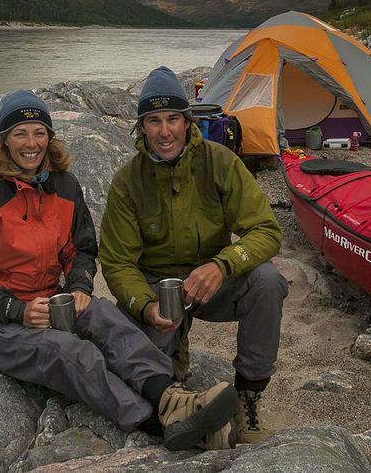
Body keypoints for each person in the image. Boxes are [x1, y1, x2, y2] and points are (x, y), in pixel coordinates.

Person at [0, 89, 239, 451]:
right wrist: (15, 309)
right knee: (69, 352)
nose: (30, 143)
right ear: (3, 141)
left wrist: (80, 284)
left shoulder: (63, 185)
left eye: (39, 132)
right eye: (20, 133)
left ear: (50, 137)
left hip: (52, 300)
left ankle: (170, 397)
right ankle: (157, 424)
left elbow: (81, 248)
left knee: (107, 317)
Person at [100, 67, 288, 444]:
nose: (164, 131)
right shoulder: (127, 181)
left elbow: (266, 231)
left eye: (173, 119)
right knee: (142, 380)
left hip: (213, 283)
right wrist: (143, 306)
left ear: (188, 123)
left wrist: (223, 265)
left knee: (268, 282)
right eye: (153, 121)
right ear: (141, 127)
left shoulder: (219, 162)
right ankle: (180, 387)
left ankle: (247, 399)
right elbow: (117, 262)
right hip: (158, 291)